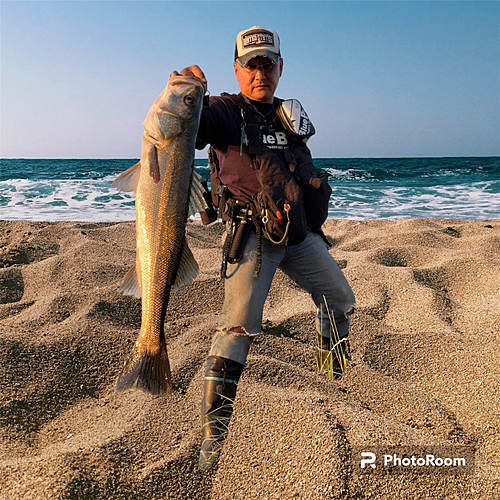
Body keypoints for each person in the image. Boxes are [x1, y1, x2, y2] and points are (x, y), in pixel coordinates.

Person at [181, 26, 355, 472]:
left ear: (280, 67)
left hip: (299, 235)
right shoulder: (222, 110)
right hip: (252, 239)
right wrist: (185, 91)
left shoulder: (288, 114)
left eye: (268, 64)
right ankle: (213, 437)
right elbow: (185, 121)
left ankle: (332, 376)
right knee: (237, 326)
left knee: (339, 297)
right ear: (237, 69)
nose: (260, 72)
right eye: (251, 65)